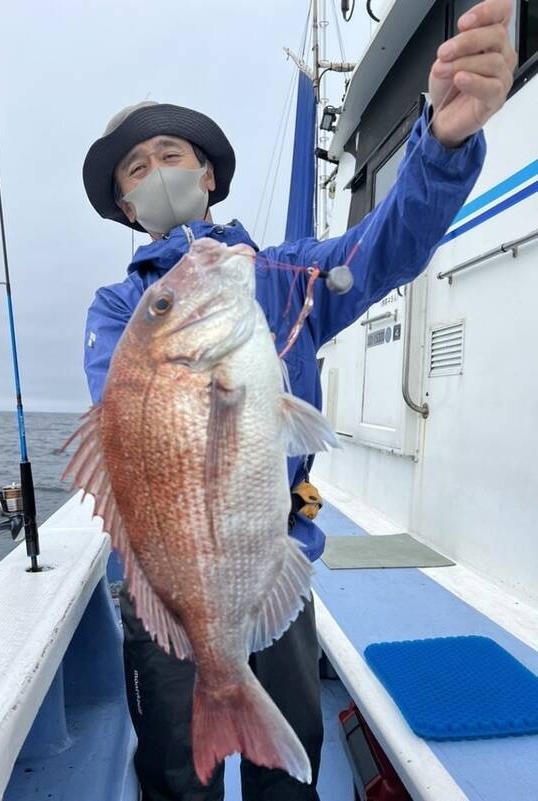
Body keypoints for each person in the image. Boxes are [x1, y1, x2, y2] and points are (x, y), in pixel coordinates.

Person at [80, 2, 516, 799]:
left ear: (208, 173)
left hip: (270, 558)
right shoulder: (121, 309)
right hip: (168, 589)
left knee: (291, 771)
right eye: (134, 171)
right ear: (124, 207)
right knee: (178, 779)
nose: (156, 173)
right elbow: (126, 429)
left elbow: (387, 246)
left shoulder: (283, 276)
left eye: (169, 154)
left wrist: (443, 146)